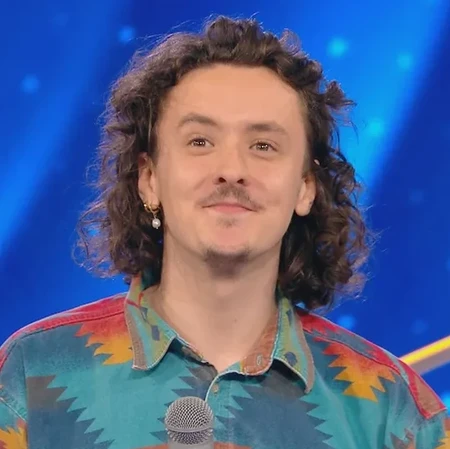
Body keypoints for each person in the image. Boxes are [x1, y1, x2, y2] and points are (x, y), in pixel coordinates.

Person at [0, 15, 448, 449]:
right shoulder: (32, 373)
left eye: (263, 146)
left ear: (305, 188)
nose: (232, 169)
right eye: (200, 141)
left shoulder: (392, 411)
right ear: (149, 179)